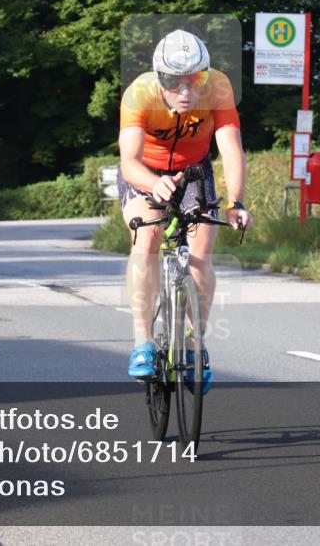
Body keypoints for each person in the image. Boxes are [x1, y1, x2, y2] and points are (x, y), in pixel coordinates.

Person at [117, 29, 253, 393]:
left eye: (196, 80)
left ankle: (194, 345)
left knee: (201, 255)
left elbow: (230, 148)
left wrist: (236, 202)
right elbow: (128, 161)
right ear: (160, 78)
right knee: (146, 238)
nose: (186, 92)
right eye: (174, 82)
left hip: (195, 169)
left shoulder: (219, 89)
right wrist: (150, 183)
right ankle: (143, 342)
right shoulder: (138, 93)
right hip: (145, 171)